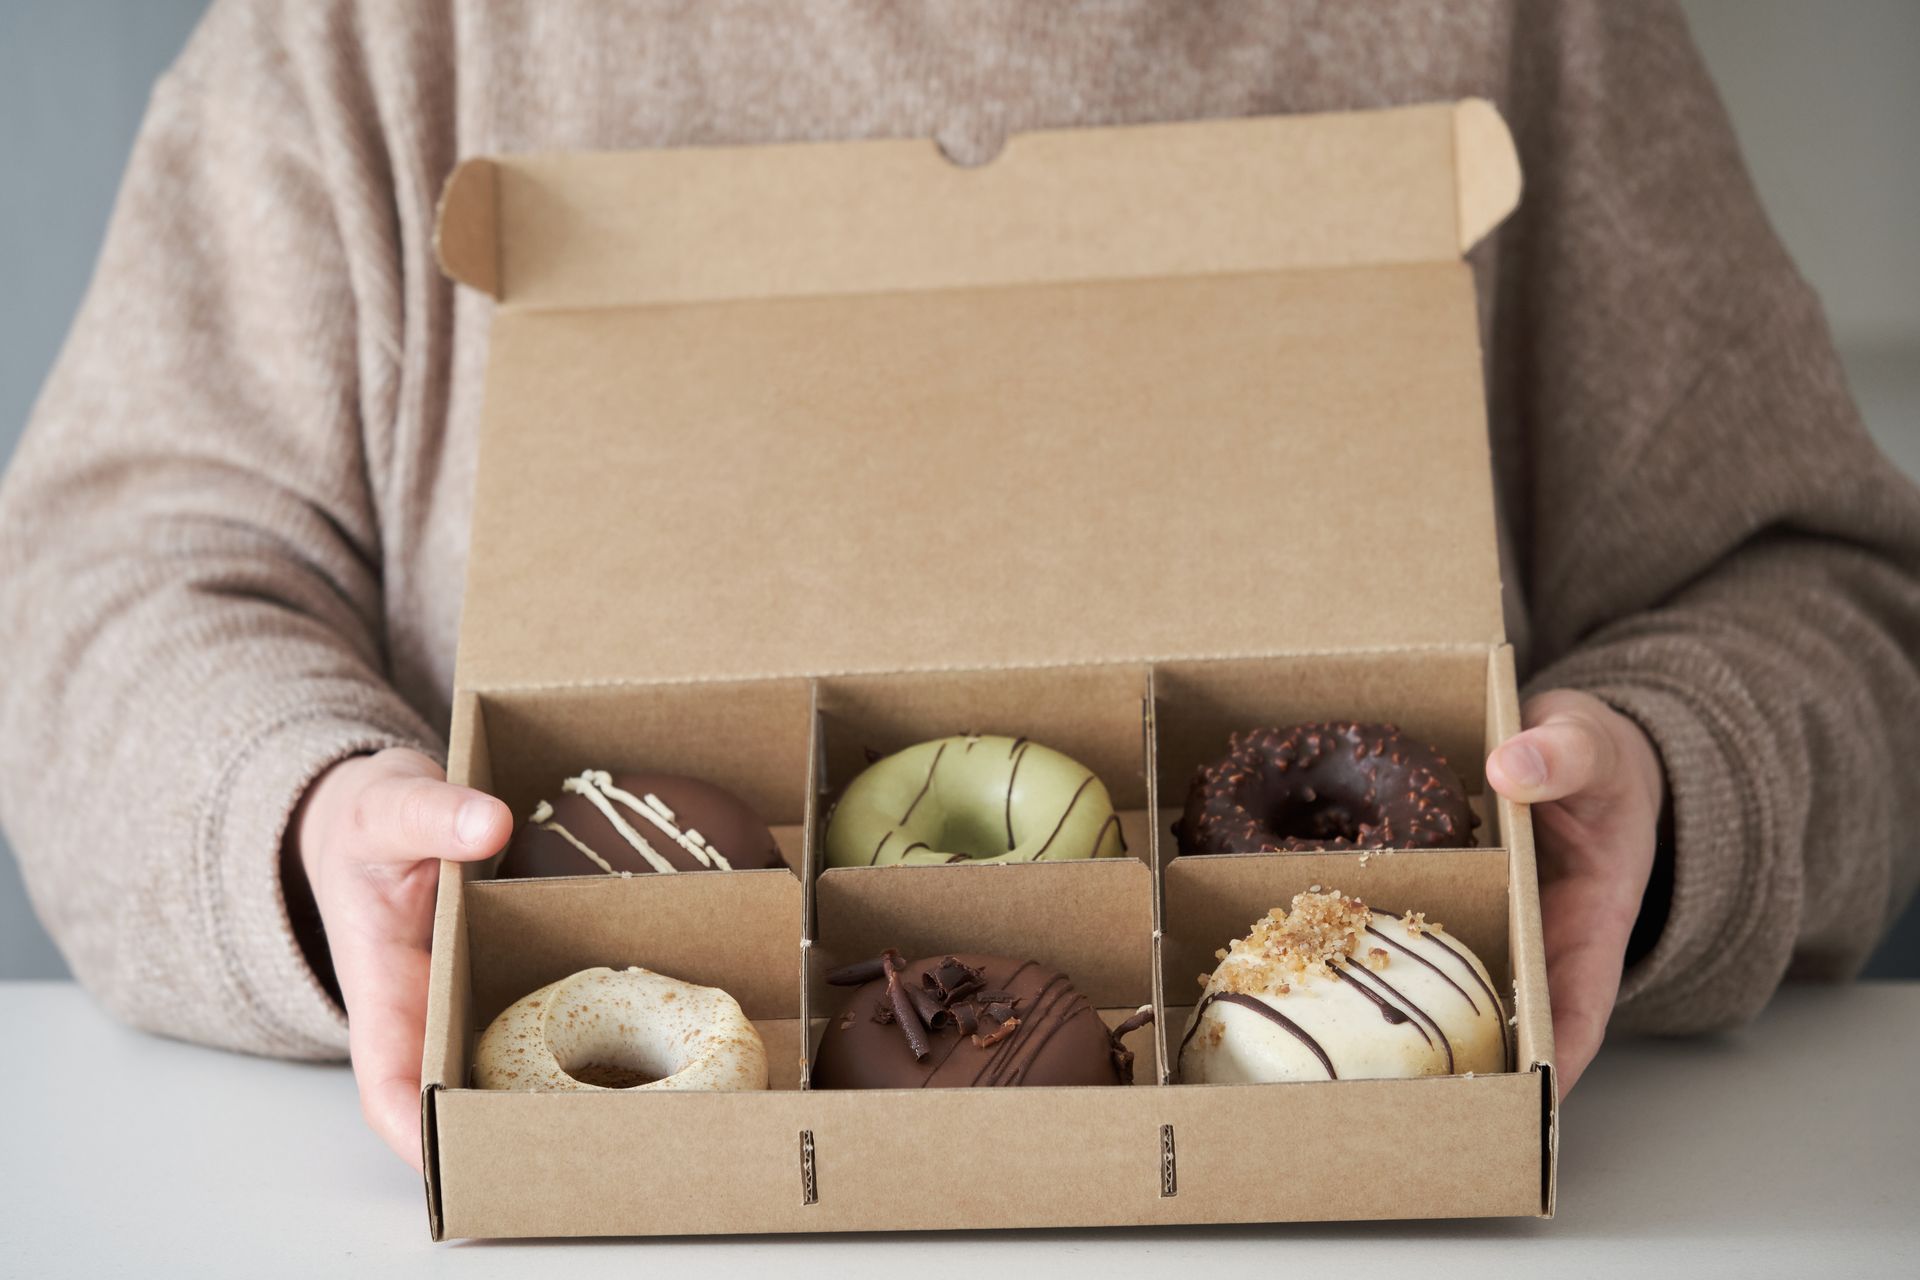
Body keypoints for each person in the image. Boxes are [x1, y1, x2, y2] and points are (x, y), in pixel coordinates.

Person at [2, 0, 1916, 1171]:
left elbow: (1830, 601)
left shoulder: (1535, 25)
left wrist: (1676, 782)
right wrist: (301, 818)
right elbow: (99, 593)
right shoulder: (372, 41)